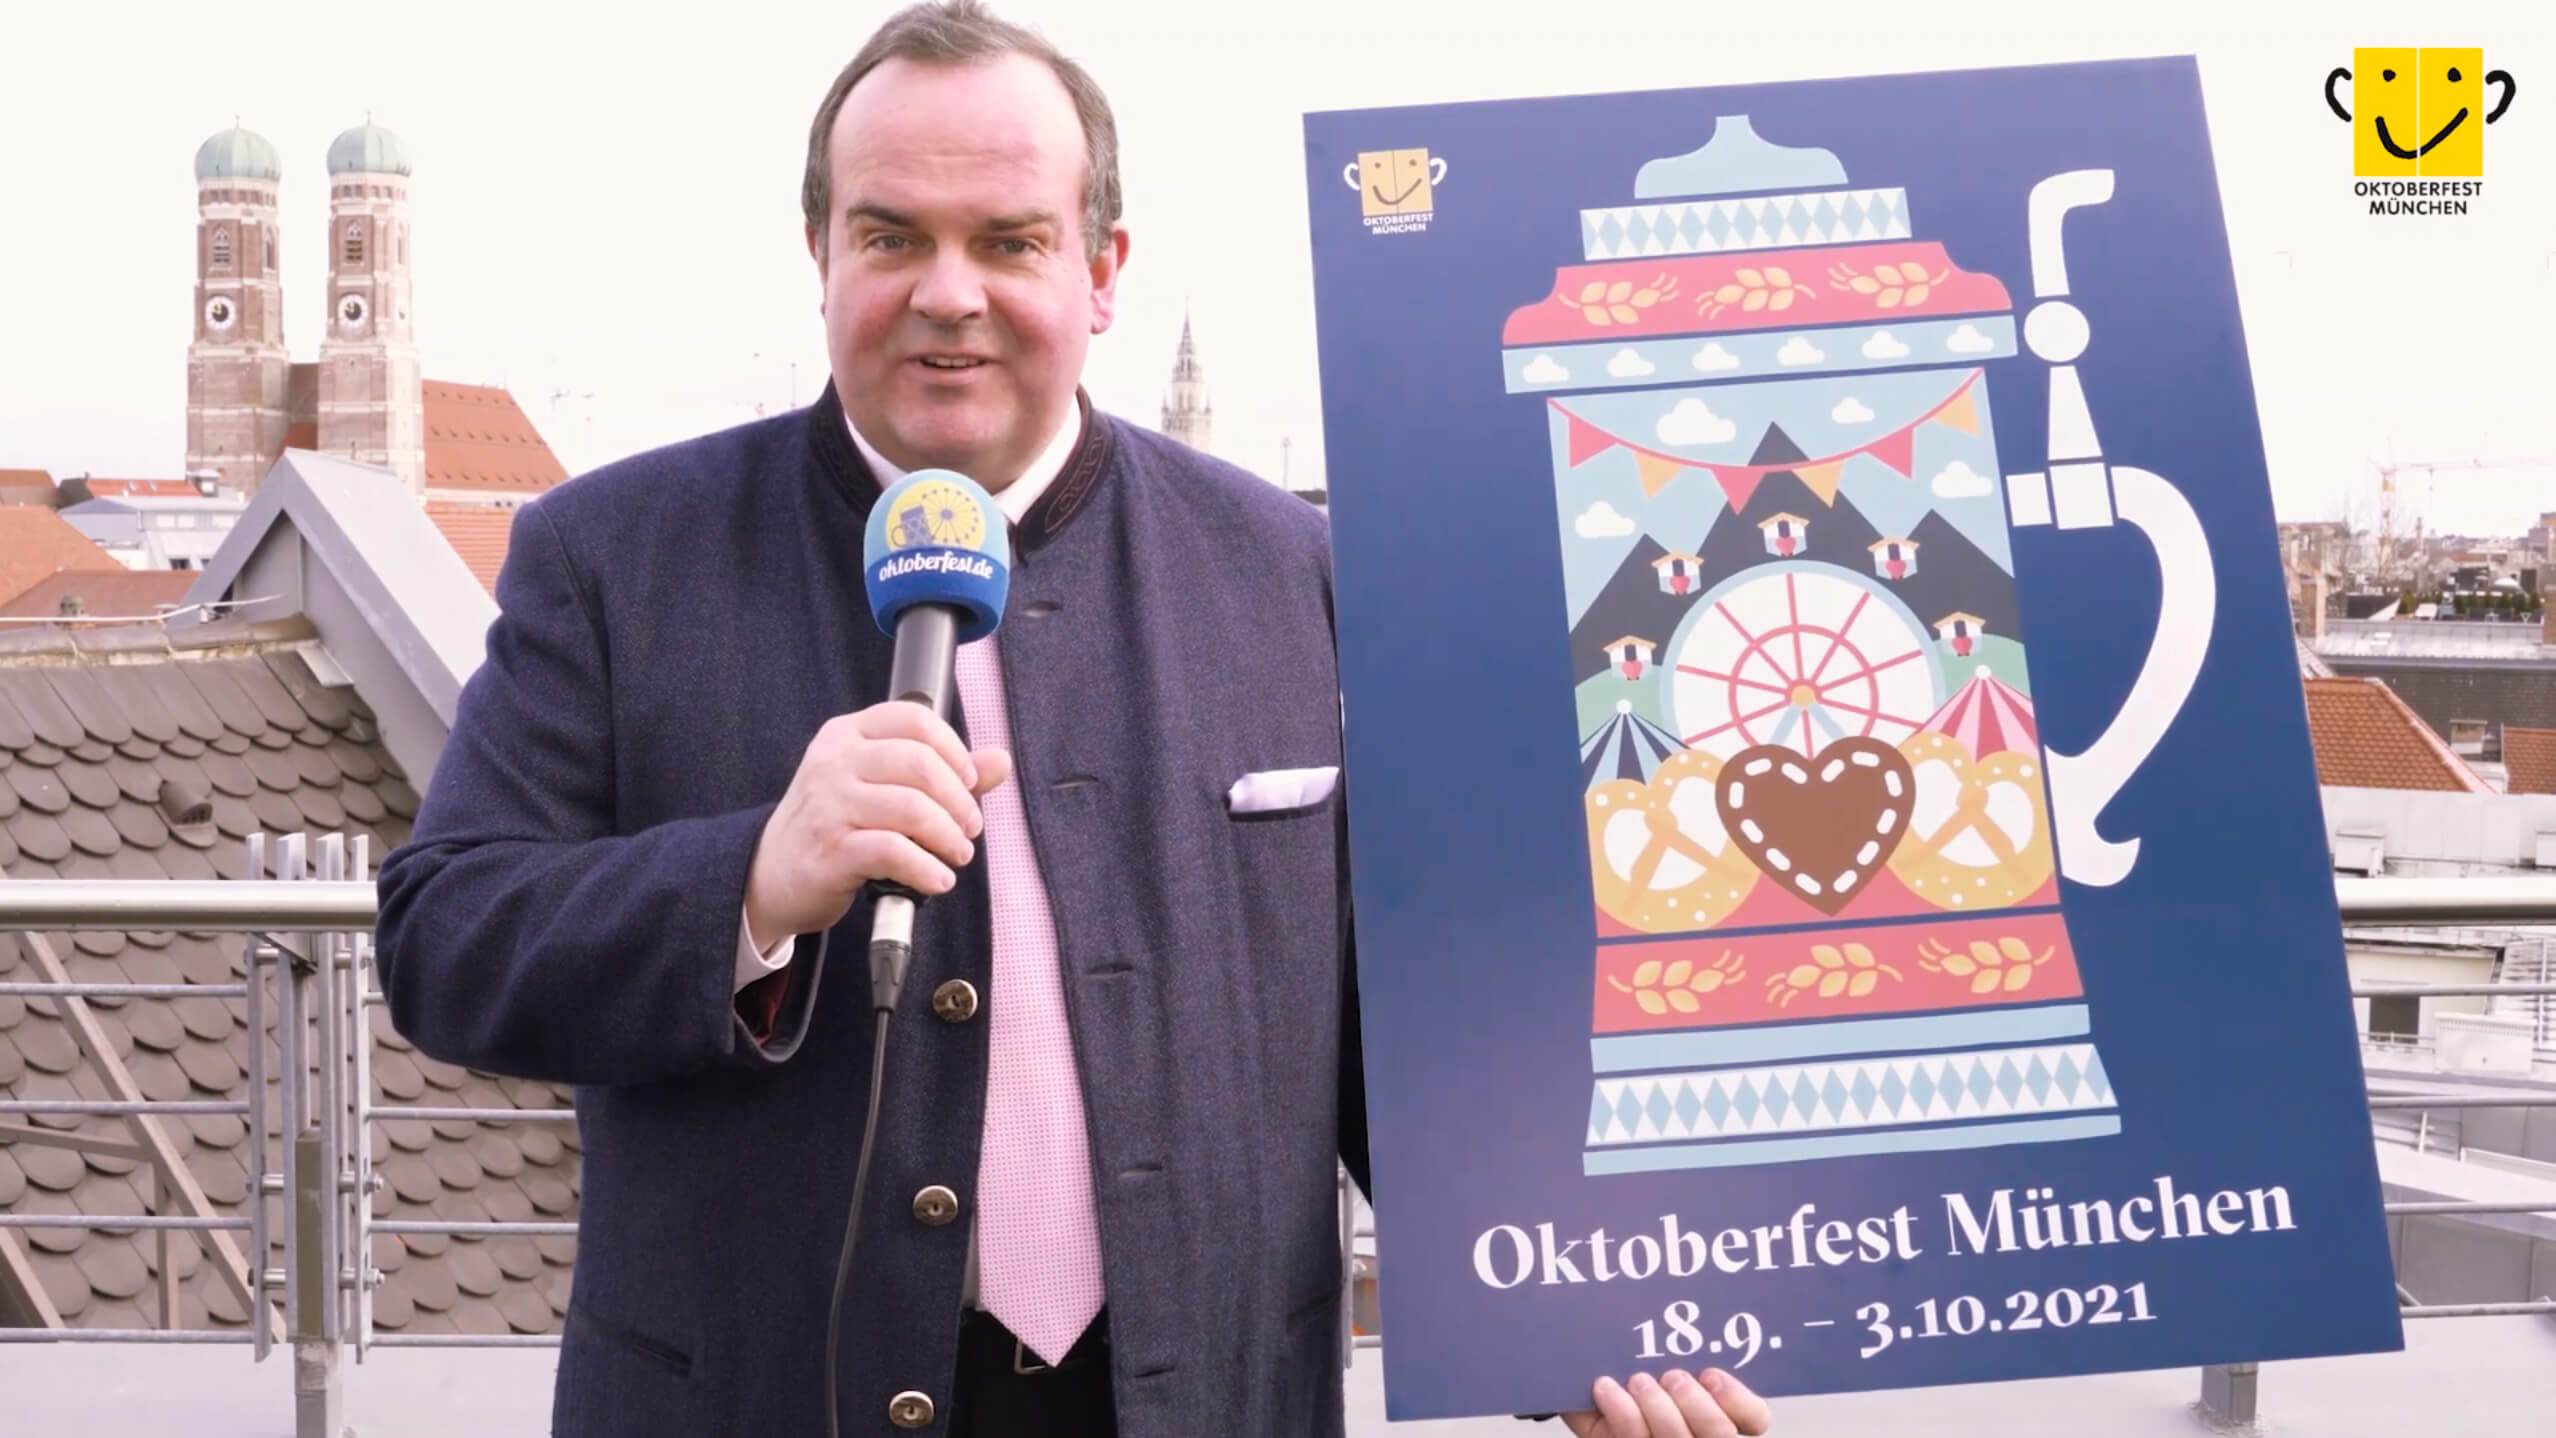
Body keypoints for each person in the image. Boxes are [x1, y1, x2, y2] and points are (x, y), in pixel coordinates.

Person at [371, 4, 1775, 1435]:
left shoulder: (1294, 567)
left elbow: (1390, 1022)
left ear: (1102, 271)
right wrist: (752, 882)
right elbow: (444, 938)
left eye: (1010, 241)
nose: (948, 293)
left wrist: (1565, 1326)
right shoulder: (615, 554)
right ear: (821, 257)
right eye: (892, 236)